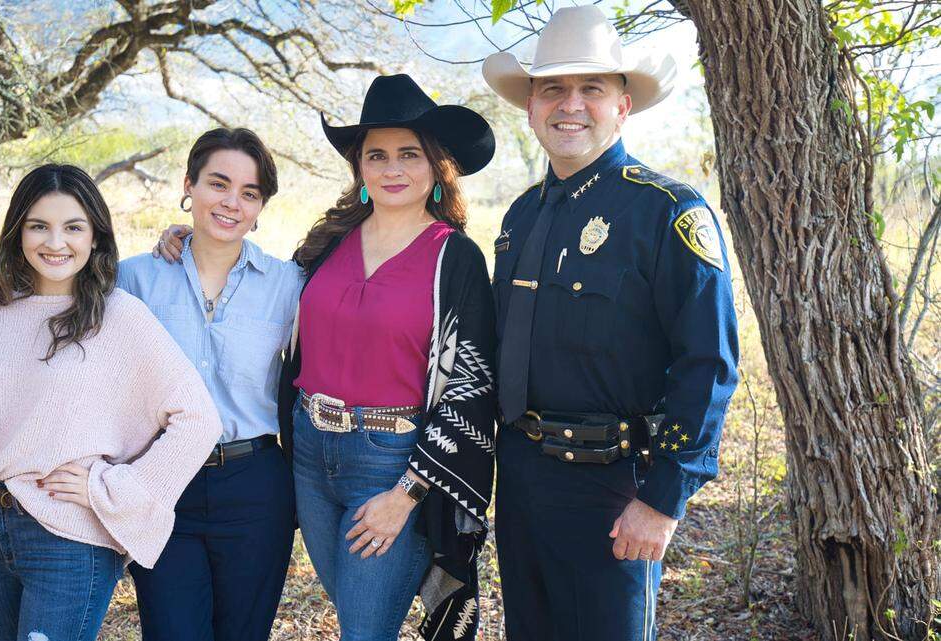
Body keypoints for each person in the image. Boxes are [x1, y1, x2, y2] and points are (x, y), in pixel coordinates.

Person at [155, 75, 498, 641]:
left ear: (436, 166)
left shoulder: (452, 257)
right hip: (309, 457)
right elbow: (254, 278)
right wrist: (186, 239)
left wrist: (408, 493)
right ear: (359, 168)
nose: (392, 169)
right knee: (358, 617)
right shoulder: (327, 244)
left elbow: (472, 385)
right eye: (377, 155)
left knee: (364, 628)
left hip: (391, 462)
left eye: (409, 155)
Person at [480, 6, 740, 640]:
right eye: (553, 88)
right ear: (532, 106)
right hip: (520, 481)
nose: (571, 104)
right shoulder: (518, 217)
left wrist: (663, 499)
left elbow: (709, 363)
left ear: (623, 105)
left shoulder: (666, 211)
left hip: (614, 490)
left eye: (591, 88)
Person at [0, 164, 223, 640]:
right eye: (39, 226)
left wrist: (115, 486)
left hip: (70, 538)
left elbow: (198, 420)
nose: (56, 242)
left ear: (95, 236)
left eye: (73, 227)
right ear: (18, 233)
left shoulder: (120, 317)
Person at [117, 128, 302, 641]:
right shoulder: (133, 280)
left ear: (261, 206)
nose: (232, 203)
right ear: (189, 186)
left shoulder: (288, 285)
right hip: (162, 480)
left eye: (249, 193)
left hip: (254, 486)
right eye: (218, 184)